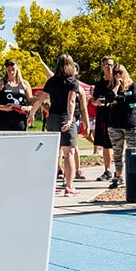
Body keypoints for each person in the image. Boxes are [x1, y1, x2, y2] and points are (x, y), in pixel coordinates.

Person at [31, 54, 81, 195]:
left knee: (55, 152)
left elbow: (40, 98)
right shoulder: (73, 82)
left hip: (52, 117)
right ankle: (69, 186)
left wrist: (32, 113)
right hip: (65, 117)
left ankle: (52, 184)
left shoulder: (51, 81)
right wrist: (70, 119)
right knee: (69, 152)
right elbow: (71, 101)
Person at [106, 63, 136, 190]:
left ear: (124, 72)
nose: (117, 75)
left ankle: (133, 176)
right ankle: (118, 176)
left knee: (132, 152)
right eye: (115, 73)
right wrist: (116, 87)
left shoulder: (133, 85)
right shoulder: (110, 86)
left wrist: (119, 98)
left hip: (131, 124)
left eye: (119, 72)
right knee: (117, 153)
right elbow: (110, 98)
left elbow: (134, 98)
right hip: (115, 125)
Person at [91, 58, 117, 181]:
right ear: (102, 67)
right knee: (106, 144)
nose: (109, 68)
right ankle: (107, 170)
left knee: (117, 144)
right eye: (107, 65)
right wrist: (95, 101)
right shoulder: (99, 84)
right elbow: (93, 99)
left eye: (111, 65)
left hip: (116, 116)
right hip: (103, 116)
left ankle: (119, 170)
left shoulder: (117, 82)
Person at [0, 60, 33, 132]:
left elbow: (32, 102)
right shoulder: (0, 83)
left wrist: (28, 108)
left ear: (17, 67)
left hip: (20, 120)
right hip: (3, 121)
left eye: (12, 64)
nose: (10, 67)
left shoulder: (24, 84)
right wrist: (3, 108)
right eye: (7, 65)